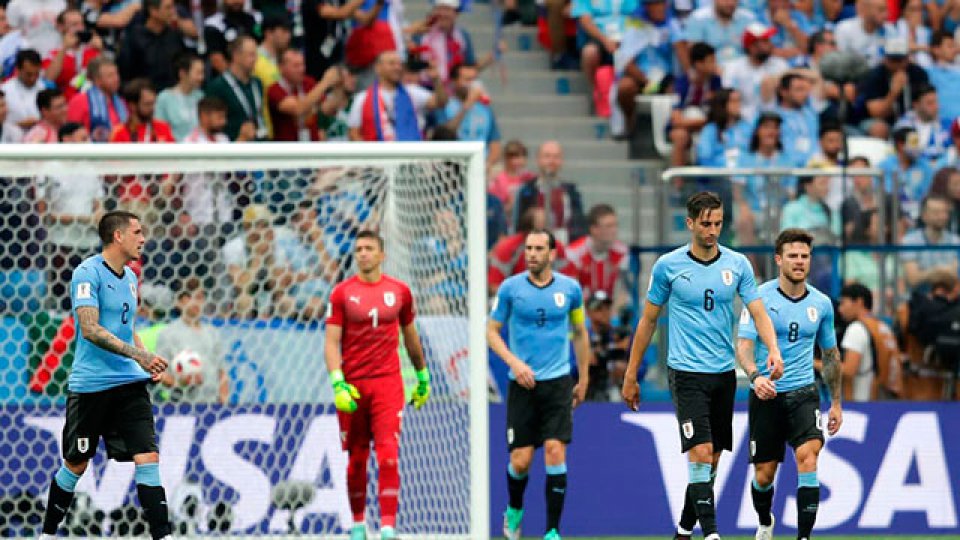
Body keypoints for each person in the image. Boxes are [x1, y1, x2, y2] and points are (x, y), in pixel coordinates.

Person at [621, 191, 783, 540]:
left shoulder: (737, 264)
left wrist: (772, 349)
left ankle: (682, 531)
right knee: (700, 451)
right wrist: (631, 374)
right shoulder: (668, 266)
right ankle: (711, 534)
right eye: (706, 223)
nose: (712, 230)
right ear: (690, 223)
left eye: (718, 223)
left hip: (723, 374)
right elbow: (648, 321)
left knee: (710, 463)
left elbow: (757, 311)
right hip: (686, 372)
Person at [38, 211, 172, 540]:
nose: (143, 238)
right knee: (76, 464)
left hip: (128, 384)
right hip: (91, 387)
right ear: (118, 236)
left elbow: (127, 329)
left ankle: (163, 536)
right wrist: (138, 354)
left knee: (148, 456)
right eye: (138, 232)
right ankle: (46, 534)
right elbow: (91, 329)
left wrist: (145, 359)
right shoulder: (87, 273)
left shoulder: (130, 277)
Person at [736, 229, 843, 540]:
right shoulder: (759, 298)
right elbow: (743, 346)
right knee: (764, 475)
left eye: (805, 256)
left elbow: (831, 355)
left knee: (808, 457)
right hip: (766, 395)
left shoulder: (821, 304)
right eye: (793, 256)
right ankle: (765, 520)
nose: (799, 262)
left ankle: (804, 537)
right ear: (779, 259)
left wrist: (835, 402)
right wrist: (755, 377)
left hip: (804, 394)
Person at [325, 230, 430, 540]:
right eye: (358, 249)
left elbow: (411, 336)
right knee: (357, 458)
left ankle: (387, 528)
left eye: (369, 248)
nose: (363, 254)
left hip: (388, 385)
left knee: (388, 454)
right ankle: (358, 526)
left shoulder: (399, 292)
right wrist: (338, 384)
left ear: (382, 255)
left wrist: (422, 376)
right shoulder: (342, 293)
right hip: (354, 386)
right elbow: (331, 343)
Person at [487, 228, 591, 540]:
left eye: (537, 248)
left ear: (552, 253)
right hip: (522, 385)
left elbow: (580, 333)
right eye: (528, 248)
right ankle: (514, 509)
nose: (531, 254)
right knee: (520, 461)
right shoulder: (510, 289)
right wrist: (515, 363)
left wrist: (583, 377)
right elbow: (491, 331)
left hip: (558, 383)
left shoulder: (570, 290)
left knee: (555, 451)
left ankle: (552, 531)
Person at [155, 277, 228, 404]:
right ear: (179, 302)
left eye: (199, 297)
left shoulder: (212, 333)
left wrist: (223, 402)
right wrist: (180, 383)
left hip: (212, 404)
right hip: (182, 404)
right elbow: (160, 374)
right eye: (188, 297)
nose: (195, 302)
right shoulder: (168, 334)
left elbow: (222, 372)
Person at [347, 50, 446, 141]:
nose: (397, 67)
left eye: (399, 64)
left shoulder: (412, 92)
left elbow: (441, 103)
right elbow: (353, 133)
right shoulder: (362, 98)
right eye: (392, 63)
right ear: (378, 68)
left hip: (411, 156)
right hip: (378, 157)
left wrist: (436, 79)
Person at [564, 203, 631, 308]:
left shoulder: (622, 252)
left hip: (609, 313)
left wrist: (612, 318)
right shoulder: (574, 253)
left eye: (615, 225)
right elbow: (570, 293)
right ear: (594, 229)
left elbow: (624, 291)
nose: (614, 230)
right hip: (581, 313)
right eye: (609, 226)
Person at [205, 35, 268, 141]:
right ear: (236, 55)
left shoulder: (257, 83)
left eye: (256, 55)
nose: (255, 59)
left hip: (260, 145)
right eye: (251, 55)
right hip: (233, 148)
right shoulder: (218, 86)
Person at [42, 7, 103, 102]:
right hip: (65, 103)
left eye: (81, 24)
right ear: (60, 27)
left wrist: (101, 50)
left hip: (92, 101)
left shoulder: (92, 50)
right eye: (74, 25)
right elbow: (49, 78)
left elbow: (104, 76)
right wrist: (64, 48)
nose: (80, 28)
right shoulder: (52, 53)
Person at [901, 194, 960, 290]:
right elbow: (912, 279)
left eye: (945, 212)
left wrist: (927, 274)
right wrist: (934, 272)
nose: (942, 216)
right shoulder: (910, 241)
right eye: (936, 212)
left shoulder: (955, 241)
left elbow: (956, 276)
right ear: (924, 216)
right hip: (919, 300)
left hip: (949, 299)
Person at [66, 56, 126, 142]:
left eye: (116, 74)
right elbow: (71, 135)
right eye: (110, 76)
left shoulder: (121, 102)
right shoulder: (80, 101)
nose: (116, 79)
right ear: (97, 80)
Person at [108, 78, 176, 143]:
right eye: (147, 104)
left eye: (154, 103)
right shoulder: (119, 134)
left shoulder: (163, 128)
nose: (153, 108)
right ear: (132, 106)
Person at [155, 54, 205, 141]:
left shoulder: (201, 96)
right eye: (198, 73)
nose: (201, 77)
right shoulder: (164, 98)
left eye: (202, 73)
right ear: (183, 73)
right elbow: (159, 129)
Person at [2, 49, 46, 131]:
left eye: (36, 74)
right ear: (17, 70)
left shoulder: (43, 88)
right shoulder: (5, 90)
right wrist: (19, 124)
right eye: (28, 74)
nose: (33, 78)